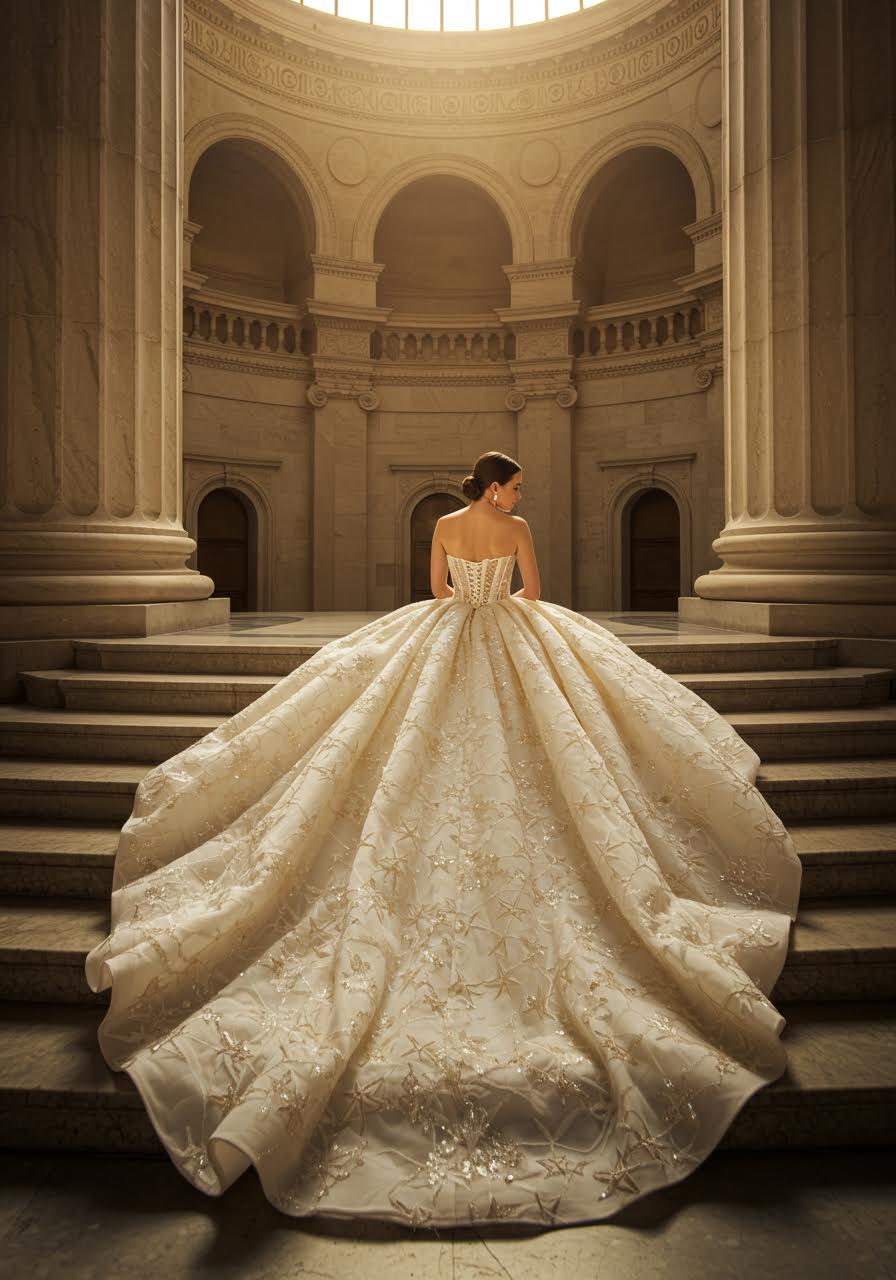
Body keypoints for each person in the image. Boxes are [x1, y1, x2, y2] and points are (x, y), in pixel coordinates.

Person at [85, 449, 802, 1228]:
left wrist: (468, 596)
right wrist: (504, 600)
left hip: (450, 629)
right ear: (496, 488)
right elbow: (534, 593)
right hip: (508, 633)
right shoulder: (515, 528)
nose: (521, 495)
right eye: (516, 485)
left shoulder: (445, 524)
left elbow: (436, 593)